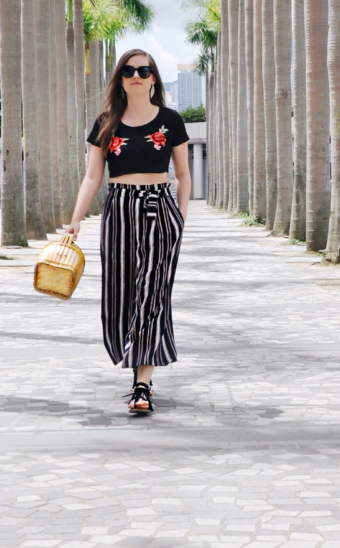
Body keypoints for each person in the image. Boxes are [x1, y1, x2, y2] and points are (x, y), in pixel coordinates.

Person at [66, 49, 191, 415]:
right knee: (121, 294)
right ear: (120, 78)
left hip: (159, 208)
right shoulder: (106, 122)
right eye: (129, 70)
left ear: (154, 78)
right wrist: (75, 220)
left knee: (153, 293)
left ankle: (142, 384)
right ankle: (133, 358)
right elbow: (92, 176)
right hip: (119, 208)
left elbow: (183, 176)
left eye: (144, 70)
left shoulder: (171, 121)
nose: (136, 75)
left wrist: (180, 218)